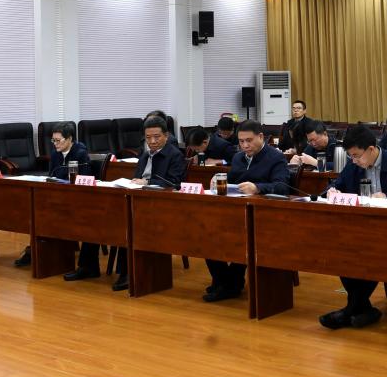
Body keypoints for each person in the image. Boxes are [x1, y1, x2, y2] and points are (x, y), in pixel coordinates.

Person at [318, 125, 387, 330]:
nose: (354, 160)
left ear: (371, 149)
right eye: (350, 156)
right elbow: (336, 184)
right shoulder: (354, 165)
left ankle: (351, 310)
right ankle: (363, 309)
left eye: (356, 155)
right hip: (361, 228)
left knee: (371, 253)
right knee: (342, 251)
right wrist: (332, 190)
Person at [204, 119, 290, 303]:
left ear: (261, 137)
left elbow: (283, 186)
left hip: (264, 215)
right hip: (235, 211)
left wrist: (258, 188)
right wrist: (219, 180)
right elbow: (232, 181)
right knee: (207, 233)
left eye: (249, 141)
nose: (244, 145)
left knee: (243, 238)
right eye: (241, 141)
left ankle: (230, 284)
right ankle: (224, 281)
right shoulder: (238, 157)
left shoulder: (275, 157)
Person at [110, 116, 185, 291]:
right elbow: (137, 178)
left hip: (163, 206)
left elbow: (175, 183)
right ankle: (125, 271)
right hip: (140, 202)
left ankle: (130, 273)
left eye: (156, 137)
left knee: (132, 225)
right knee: (122, 222)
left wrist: (148, 182)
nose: (152, 141)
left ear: (166, 136)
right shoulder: (145, 155)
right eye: (148, 138)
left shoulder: (175, 155)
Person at [15, 123, 92, 268]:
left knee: (46, 212)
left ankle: (37, 252)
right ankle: (35, 251)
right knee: (37, 210)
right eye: (53, 140)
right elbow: (52, 175)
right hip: (56, 196)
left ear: (69, 139)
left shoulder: (80, 153)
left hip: (76, 198)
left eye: (58, 140)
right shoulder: (55, 154)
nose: (55, 144)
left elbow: (84, 179)